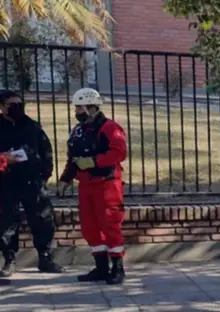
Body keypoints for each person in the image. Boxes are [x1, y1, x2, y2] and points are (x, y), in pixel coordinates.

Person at [58, 88, 129, 285]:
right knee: (90, 227)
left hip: (106, 184)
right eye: (76, 108)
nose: (76, 111)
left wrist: (94, 161)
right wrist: (65, 179)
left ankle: (117, 267)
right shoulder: (78, 131)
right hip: (86, 185)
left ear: (91, 107)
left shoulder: (110, 128)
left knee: (110, 224)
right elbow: (73, 158)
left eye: (79, 107)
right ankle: (101, 267)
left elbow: (119, 153)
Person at [0, 90, 64, 277]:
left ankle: (45, 258)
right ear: (2, 107)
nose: (17, 108)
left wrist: (44, 175)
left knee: (43, 219)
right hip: (6, 182)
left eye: (20, 104)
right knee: (7, 221)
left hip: (32, 181)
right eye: (12, 105)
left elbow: (45, 151)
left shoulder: (32, 126)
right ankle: (9, 259)